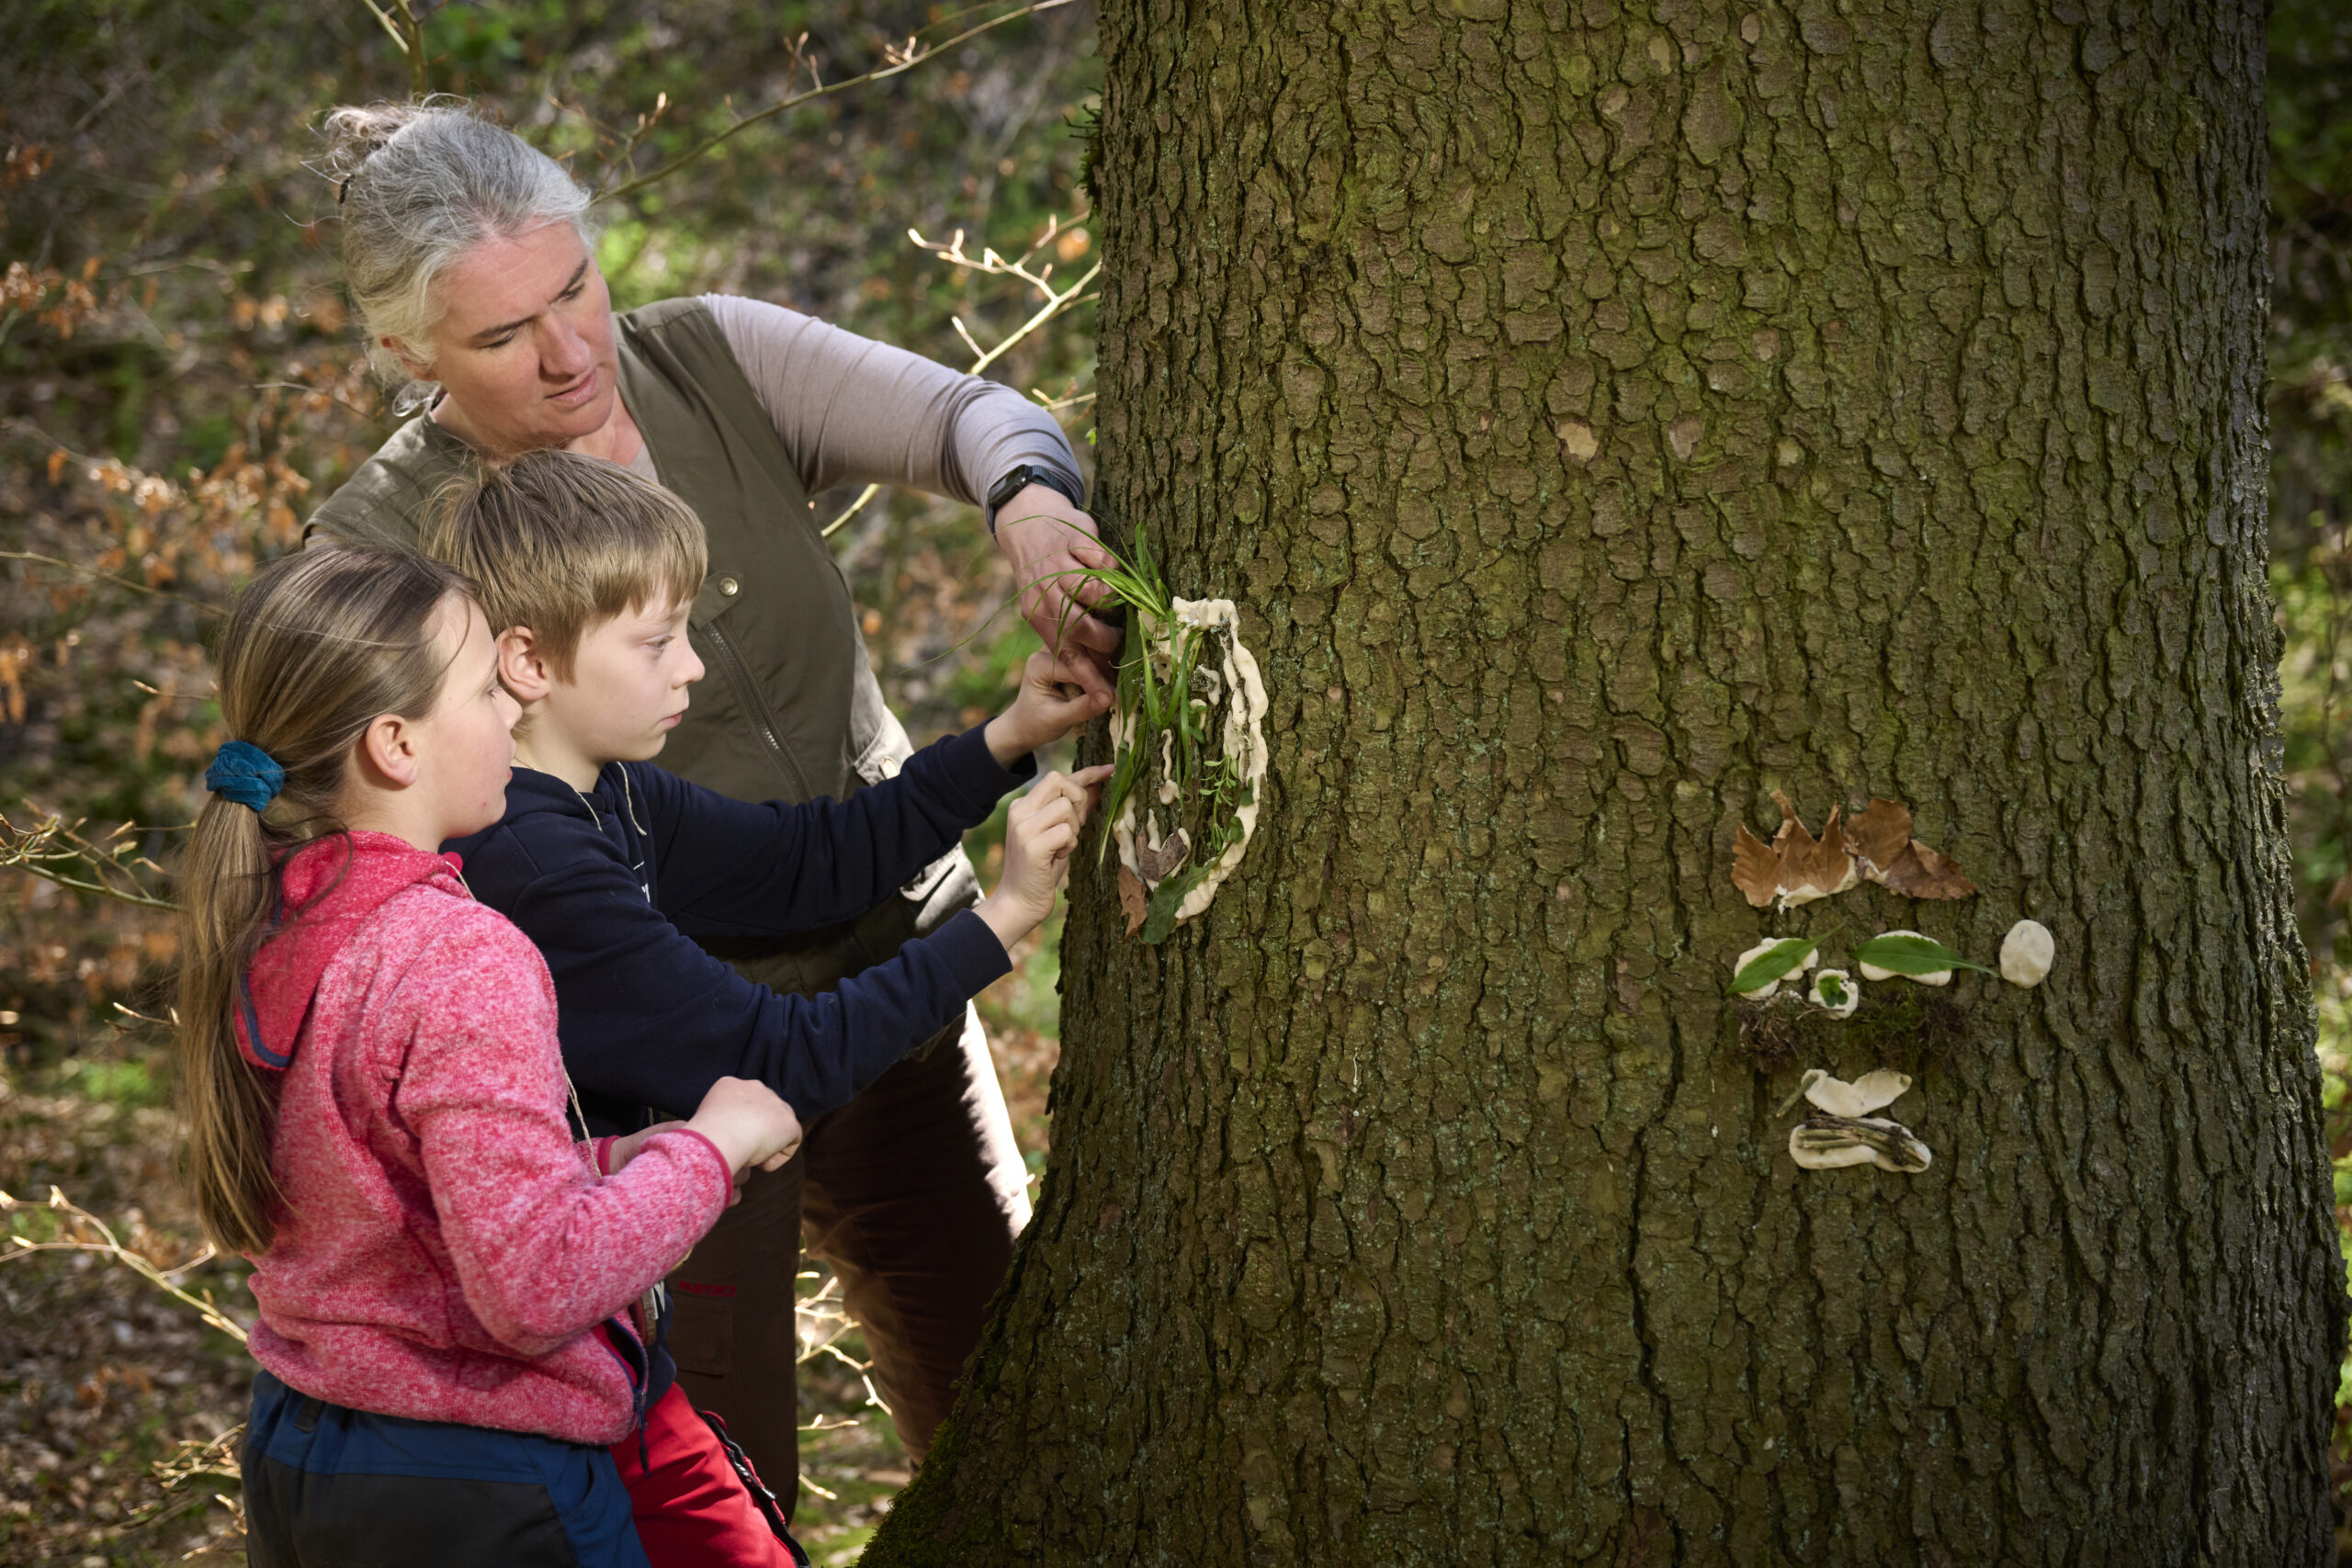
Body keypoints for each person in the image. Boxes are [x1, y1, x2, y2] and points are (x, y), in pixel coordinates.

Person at [304, 98, 1125, 1495]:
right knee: (716, 1482)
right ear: (403, 351)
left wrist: (1033, 504)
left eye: (576, 288)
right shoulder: (377, 551)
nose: (572, 352)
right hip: (642, 1092)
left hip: (896, 986)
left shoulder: (709, 358)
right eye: (504, 335)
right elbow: (364, 839)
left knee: (1013, 1420)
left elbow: (974, 414)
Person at [422, 449, 1107, 1560]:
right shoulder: (531, 856)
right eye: (655, 643)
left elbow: (807, 863)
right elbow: (774, 1056)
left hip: (611, 1284)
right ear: (527, 661)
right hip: (552, 1316)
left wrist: (1003, 744)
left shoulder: (606, 789)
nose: (690, 669)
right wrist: (1005, 917)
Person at [174, 544, 807, 1566]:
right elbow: (537, 1288)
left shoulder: (281, 910)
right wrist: (714, 1149)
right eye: (481, 686)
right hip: (479, 1487)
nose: (516, 708)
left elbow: (387, 1200)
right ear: (395, 744)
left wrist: (620, 1162)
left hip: (302, 1452)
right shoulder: (459, 953)